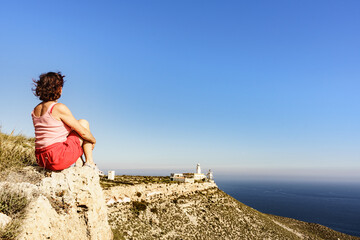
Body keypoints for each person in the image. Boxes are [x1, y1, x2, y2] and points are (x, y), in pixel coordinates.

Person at [31, 71, 102, 174]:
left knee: (67, 131)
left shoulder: (35, 110)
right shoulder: (58, 108)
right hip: (57, 158)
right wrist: (94, 140)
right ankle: (90, 163)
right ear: (58, 88)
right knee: (83, 123)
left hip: (41, 158)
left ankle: (79, 162)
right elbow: (83, 133)